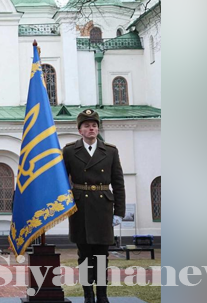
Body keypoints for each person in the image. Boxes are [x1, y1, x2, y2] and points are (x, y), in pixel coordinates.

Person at [63, 109, 125, 303]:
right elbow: (63, 181)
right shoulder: (70, 150)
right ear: (80, 130)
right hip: (80, 206)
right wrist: (64, 206)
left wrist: (119, 212)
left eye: (94, 125)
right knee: (83, 255)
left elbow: (118, 182)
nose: (91, 129)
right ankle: (88, 293)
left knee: (101, 254)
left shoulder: (110, 151)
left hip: (103, 207)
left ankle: (102, 294)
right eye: (87, 126)